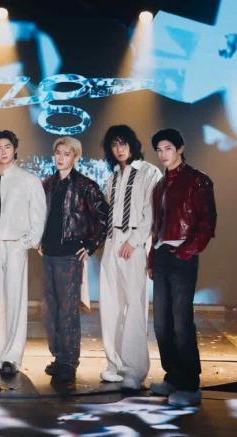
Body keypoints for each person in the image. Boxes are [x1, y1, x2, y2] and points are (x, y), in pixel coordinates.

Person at [148, 128, 217, 407]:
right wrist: (152, 257)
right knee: (161, 323)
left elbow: (207, 222)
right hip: (162, 254)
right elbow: (157, 226)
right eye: (159, 150)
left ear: (180, 148)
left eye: (167, 148)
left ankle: (189, 384)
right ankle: (173, 376)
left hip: (182, 255)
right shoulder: (160, 185)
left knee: (180, 321)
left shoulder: (197, 180)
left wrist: (187, 251)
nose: (163, 154)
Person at [0, 130, 46, 377]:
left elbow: (38, 216)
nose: (3, 152)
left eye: (7, 147)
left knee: (14, 299)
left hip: (15, 242)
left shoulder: (28, 180)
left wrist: (27, 242)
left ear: (15, 149)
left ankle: (11, 357)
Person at [98, 125, 162, 390]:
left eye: (123, 143)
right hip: (112, 241)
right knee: (110, 306)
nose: (119, 149)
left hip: (133, 243)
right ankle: (114, 364)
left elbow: (151, 211)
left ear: (132, 144)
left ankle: (134, 371)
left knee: (135, 306)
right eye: (114, 144)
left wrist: (135, 241)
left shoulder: (149, 172)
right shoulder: (113, 175)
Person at [40, 137, 108, 382]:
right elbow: (39, 215)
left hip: (69, 256)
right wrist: (38, 239)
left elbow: (104, 218)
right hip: (48, 253)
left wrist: (90, 246)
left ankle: (69, 361)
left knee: (68, 310)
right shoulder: (48, 184)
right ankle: (59, 357)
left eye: (66, 154)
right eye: (58, 152)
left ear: (76, 157)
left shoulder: (86, 186)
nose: (61, 158)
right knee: (51, 310)